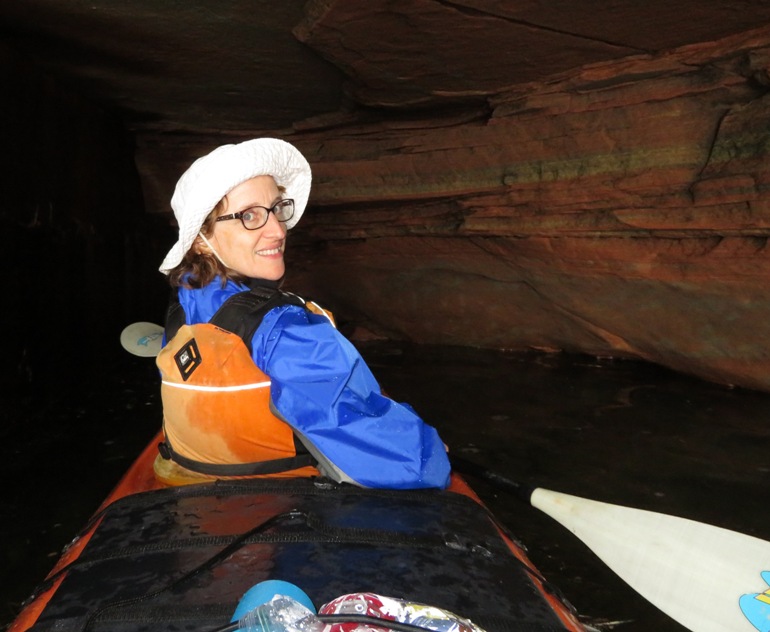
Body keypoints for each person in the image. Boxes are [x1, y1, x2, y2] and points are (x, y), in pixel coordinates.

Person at [154, 138, 451, 490]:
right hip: (284, 505)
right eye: (249, 216)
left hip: (192, 493)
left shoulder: (184, 309)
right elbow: (410, 465)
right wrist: (430, 450)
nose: (278, 230)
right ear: (202, 237)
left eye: (277, 208)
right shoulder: (286, 331)